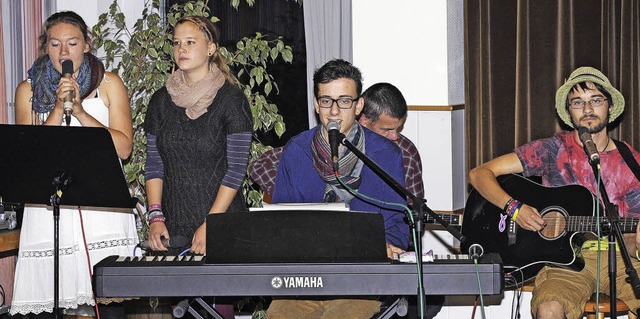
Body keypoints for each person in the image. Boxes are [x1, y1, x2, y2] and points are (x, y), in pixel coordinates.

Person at [468, 66, 640, 319]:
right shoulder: (552, 150)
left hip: (620, 260)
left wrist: (635, 243)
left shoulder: (631, 161)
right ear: (569, 112)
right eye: (578, 103)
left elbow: (629, 235)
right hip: (562, 264)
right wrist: (514, 208)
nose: (588, 109)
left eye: (596, 100)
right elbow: (479, 174)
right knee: (549, 310)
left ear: (610, 107)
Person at [11, 11, 139, 318]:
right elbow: (30, 159)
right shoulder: (27, 91)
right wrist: (57, 109)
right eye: (55, 44)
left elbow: (123, 148)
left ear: (87, 45)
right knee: (46, 306)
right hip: (48, 212)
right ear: (45, 47)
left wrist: (81, 112)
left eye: (72, 43)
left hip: (102, 210)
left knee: (109, 307)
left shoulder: (110, 84)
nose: (64, 52)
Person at [265, 59, 410, 319]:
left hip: (359, 282)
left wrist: (386, 244)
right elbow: (279, 224)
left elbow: (397, 224)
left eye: (344, 101)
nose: (334, 111)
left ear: (359, 105)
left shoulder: (385, 154)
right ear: (315, 103)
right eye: (326, 101)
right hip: (302, 283)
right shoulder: (296, 151)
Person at [143, 16, 253, 319]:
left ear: (211, 48)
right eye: (177, 42)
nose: (181, 48)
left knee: (217, 311)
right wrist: (155, 216)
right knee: (184, 312)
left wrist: (211, 224)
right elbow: (154, 164)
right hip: (174, 228)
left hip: (221, 225)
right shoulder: (160, 101)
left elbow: (236, 170)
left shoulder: (232, 99)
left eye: (190, 42)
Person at [251, 82, 424, 200]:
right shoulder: (320, 142)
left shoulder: (405, 153)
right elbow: (261, 166)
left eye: (398, 128)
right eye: (387, 130)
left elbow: (409, 217)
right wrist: (299, 200)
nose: (396, 137)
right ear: (362, 119)